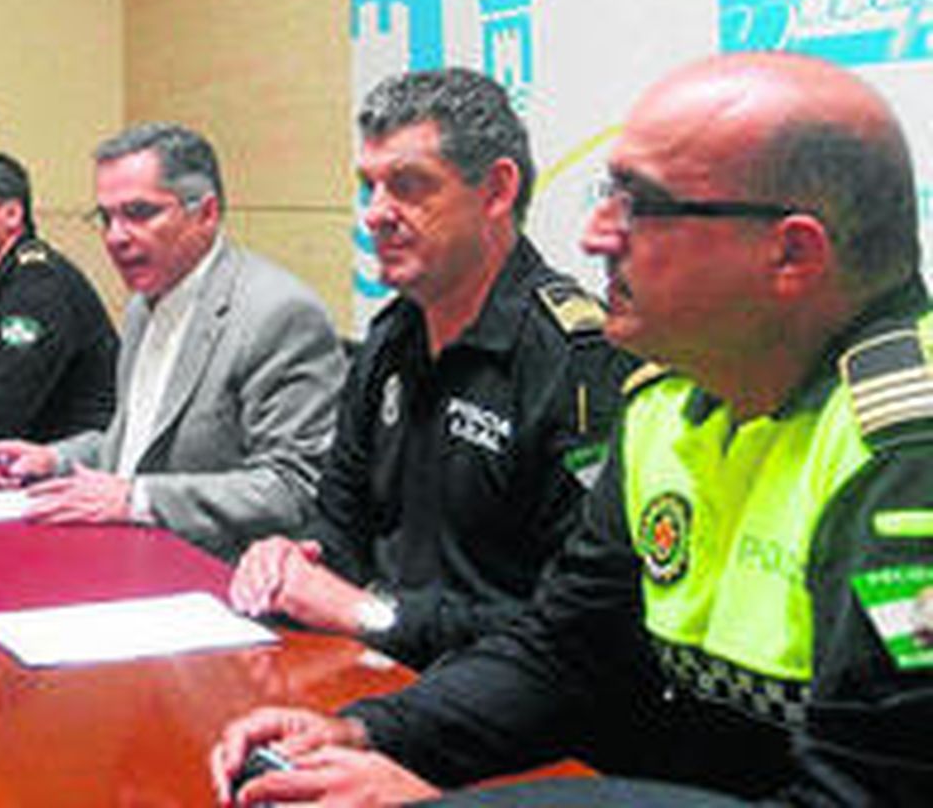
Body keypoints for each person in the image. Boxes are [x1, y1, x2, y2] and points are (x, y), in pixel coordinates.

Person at [211, 52, 933, 806]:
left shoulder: (906, 448)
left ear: (791, 253)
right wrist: (372, 730)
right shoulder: (664, 405)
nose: (594, 235)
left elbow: (865, 797)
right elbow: (567, 651)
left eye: (640, 205)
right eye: (605, 194)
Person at [228, 69, 635, 668]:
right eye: (371, 188)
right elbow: (342, 519)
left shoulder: (577, 362)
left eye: (409, 186)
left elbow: (580, 627)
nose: (376, 214)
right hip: (375, 670)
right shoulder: (392, 335)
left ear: (497, 190)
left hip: (511, 709)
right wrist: (299, 557)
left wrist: (371, 614)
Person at [0, 122, 346, 560]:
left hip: (217, 573)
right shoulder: (143, 305)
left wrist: (137, 499)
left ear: (206, 214)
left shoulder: (277, 313)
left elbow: (292, 487)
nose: (115, 237)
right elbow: (138, 444)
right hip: (130, 550)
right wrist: (52, 460)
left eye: (138, 213)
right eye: (106, 217)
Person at [0, 148, 117, 443]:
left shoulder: (39, 286)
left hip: (81, 464)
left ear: (13, 214)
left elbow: (1, 418)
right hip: (22, 462)